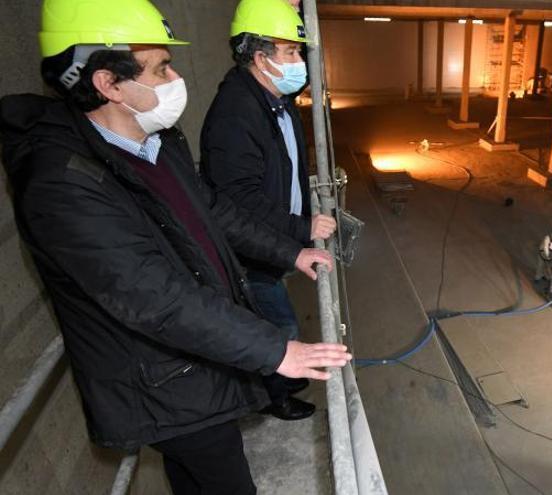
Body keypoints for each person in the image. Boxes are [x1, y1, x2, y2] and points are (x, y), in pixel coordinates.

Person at [0, 0, 350, 493]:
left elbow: (214, 209)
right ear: (108, 83)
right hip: (160, 374)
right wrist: (275, 349)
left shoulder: (154, 140)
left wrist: (288, 250)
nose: (174, 77)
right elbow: (153, 295)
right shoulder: (64, 186)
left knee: (194, 480)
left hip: (191, 353)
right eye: (160, 67)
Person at [201, 0, 335, 421]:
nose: (300, 62)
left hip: (273, 244)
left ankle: (282, 376)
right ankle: (275, 396)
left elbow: (289, 169)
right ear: (261, 58)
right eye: (291, 52)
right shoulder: (236, 114)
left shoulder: (277, 101)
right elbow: (240, 203)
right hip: (251, 255)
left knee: (278, 319)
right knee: (279, 326)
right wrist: (300, 226)